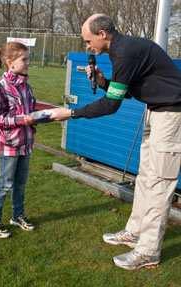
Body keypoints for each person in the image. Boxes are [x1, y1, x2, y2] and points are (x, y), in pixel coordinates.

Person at [49, 14, 181, 270]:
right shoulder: (119, 51)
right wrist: (103, 81)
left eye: (88, 41)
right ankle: (134, 232)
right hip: (155, 110)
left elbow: (111, 105)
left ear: (102, 34)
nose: (87, 47)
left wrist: (71, 113)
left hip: (172, 115)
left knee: (159, 184)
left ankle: (148, 252)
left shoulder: (126, 52)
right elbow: (125, 91)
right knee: (145, 177)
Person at [0, 42, 37, 238]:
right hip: (8, 146)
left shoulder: (27, 87)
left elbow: (31, 111)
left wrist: (42, 116)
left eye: (28, 59)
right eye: (24, 59)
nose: (27, 63)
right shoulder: (0, 89)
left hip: (25, 144)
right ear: (10, 62)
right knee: (5, 183)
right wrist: (23, 119)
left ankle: (17, 215)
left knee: (20, 183)